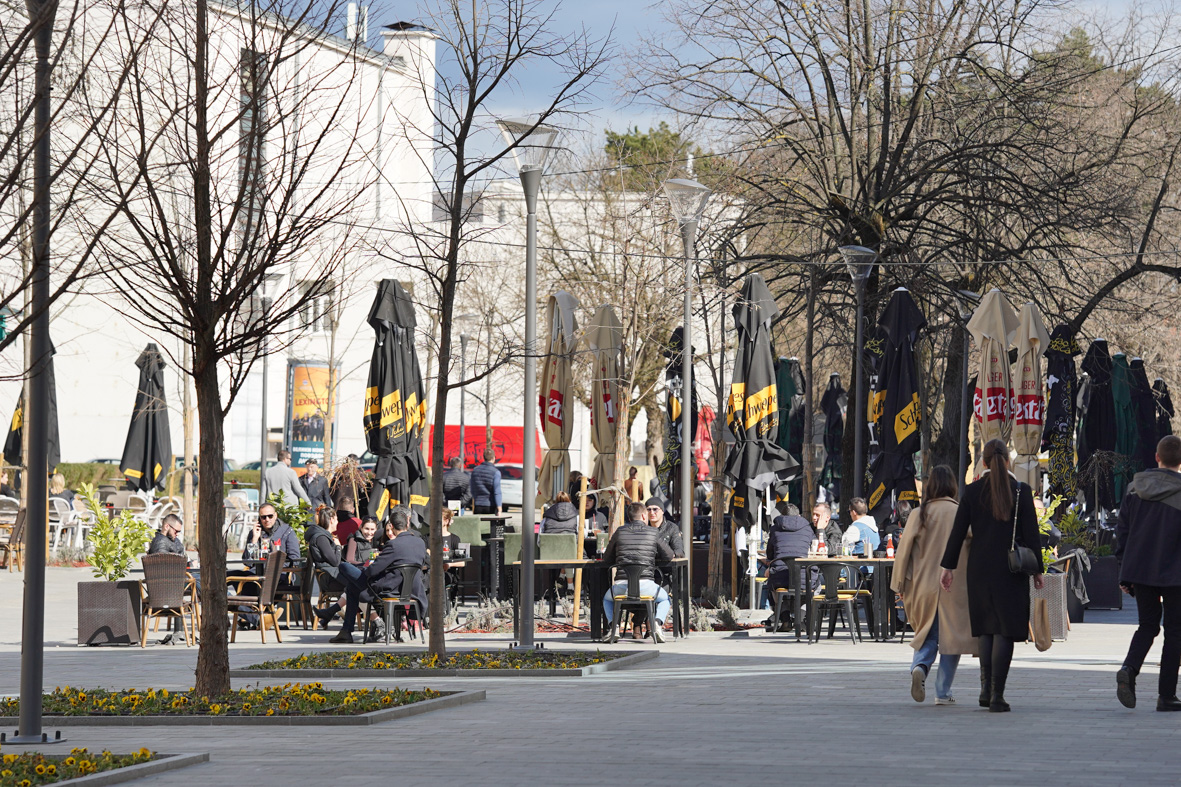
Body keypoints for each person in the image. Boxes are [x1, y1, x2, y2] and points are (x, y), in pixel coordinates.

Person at [940, 439, 1044, 712]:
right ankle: (998, 694)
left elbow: (958, 533)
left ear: (983, 462)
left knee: (986, 629)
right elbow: (1032, 536)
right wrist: (1038, 572)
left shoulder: (972, 492)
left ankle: (985, 689)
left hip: (979, 570)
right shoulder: (1021, 491)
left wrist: (947, 568)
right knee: (1005, 632)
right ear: (1007, 461)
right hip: (1011, 570)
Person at [892, 465, 975, 706]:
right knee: (952, 638)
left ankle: (920, 666)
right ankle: (942, 691)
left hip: (922, 585)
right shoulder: (960, 512)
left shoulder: (920, 513)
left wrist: (899, 583)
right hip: (954, 585)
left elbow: (904, 550)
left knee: (927, 632)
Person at [1115, 435, 1181, 711]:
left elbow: (1123, 532)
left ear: (1157, 457)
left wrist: (1124, 570)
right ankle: (1166, 695)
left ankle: (1129, 669)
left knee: (1148, 625)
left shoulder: (1134, 489)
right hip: (1176, 573)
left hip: (1141, 570)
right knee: (1175, 631)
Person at [330, 506, 427, 644]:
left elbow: (372, 571)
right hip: (411, 589)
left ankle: (346, 631)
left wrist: (364, 569)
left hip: (390, 589)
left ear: (391, 526)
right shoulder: (420, 543)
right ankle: (345, 632)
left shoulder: (393, 544)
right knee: (352, 587)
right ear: (407, 524)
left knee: (344, 566)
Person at [602, 501, 676, 643]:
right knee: (665, 599)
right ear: (643, 515)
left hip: (621, 586)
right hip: (646, 585)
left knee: (606, 598)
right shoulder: (653, 532)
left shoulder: (620, 531)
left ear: (629, 518)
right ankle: (657, 623)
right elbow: (669, 555)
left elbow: (606, 559)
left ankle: (613, 626)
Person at [309, 507, 368, 628]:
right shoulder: (321, 538)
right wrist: (338, 546)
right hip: (329, 578)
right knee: (358, 586)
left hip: (333, 575)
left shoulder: (324, 536)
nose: (338, 523)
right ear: (331, 520)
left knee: (357, 584)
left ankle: (330, 613)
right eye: (336, 520)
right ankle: (376, 621)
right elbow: (335, 562)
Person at [764, 505, 818, 631]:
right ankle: (801, 615)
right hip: (804, 575)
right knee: (816, 585)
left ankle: (785, 619)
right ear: (798, 516)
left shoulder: (774, 529)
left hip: (779, 577)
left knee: (773, 587)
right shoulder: (807, 528)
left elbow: (770, 554)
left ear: (782, 516)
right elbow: (814, 549)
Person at [469, 448, 502, 515]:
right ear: (493, 458)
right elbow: (497, 491)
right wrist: (499, 507)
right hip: (490, 505)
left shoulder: (475, 470)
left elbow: (472, 488)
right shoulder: (496, 472)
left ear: (484, 457)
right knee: (490, 525)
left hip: (478, 504)